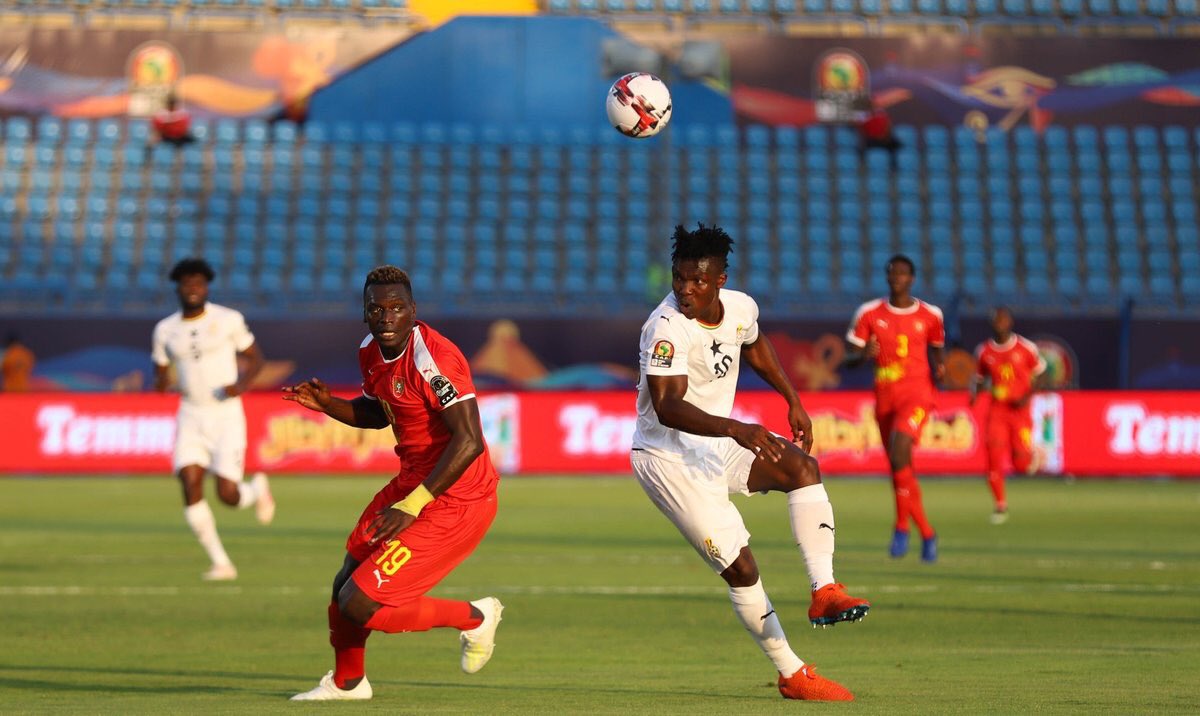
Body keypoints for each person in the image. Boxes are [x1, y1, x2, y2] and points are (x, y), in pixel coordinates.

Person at [631, 224, 868, 702]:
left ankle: (824, 590)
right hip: (669, 458)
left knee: (802, 468)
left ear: (720, 280)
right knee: (740, 568)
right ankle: (792, 673)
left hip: (717, 440)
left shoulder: (740, 307)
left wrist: (792, 398)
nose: (685, 289)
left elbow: (754, 343)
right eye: (679, 278)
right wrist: (738, 428)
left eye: (697, 281)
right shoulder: (665, 327)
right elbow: (668, 406)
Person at [284, 265, 503, 702]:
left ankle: (475, 617)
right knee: (344, 584)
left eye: (397, 307)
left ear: (413, 311)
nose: (387, 317)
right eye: (377, 309)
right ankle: (349, 683)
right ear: (364, 313)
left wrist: (413, 504)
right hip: (412, 483)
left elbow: (470, 440)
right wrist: (330, 405)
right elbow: (378, 412)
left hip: (458, 498)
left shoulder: (433, 360)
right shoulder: (370, 351)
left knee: (358, 603)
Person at [152, 258, 274, 581]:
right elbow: (160, 371)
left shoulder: (228, 319)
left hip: (226, 415)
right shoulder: (165, 330)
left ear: (206, 287)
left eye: (199, 283)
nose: (193, 288)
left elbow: (256, 359)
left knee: (227, 495)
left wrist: (241, 385)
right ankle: (221, 563)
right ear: (178, 288)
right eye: (187, 283)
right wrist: (162, 383)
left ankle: (256, 489)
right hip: (190, 413)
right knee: (189, 480)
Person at [844, 254, 945, 563]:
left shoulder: (931, 315)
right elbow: (849, 358)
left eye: (903, 272)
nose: (897, 277)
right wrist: (864, 354)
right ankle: (927, 533)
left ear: (912, 278)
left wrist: (942, 369)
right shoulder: (869, 313)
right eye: (893, 272)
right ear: (887, 277)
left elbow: (938, 350)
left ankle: (901, 527)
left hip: (917, 396)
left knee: (900, 453)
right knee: (901, 469)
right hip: (885, 398)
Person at [969, 306, 1046, 524]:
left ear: (1010, 322)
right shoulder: (984, 351)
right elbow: (980, 378)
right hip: (998, 411)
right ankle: (1000, 505)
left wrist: (1027, 396)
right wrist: (975, 394)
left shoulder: (1026, 348)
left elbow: (1041, 374)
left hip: (1019, 411)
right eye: (997, 320)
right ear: (992, 323)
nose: (1000, 323)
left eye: (1004, 320)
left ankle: (1033, 453)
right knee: (993, 456)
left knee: (1020, 464)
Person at [857, 102, 901, 171]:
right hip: (872, 139)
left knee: (897, 145)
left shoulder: (881, 113)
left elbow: (888, 126)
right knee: (862, 148)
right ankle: (864, 166)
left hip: (883, 138)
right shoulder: (864, 116)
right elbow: (861, 129)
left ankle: (893, 165)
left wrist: (885, 136)